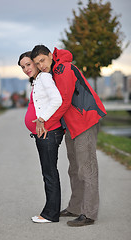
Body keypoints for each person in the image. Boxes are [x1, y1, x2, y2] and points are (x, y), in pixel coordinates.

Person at [31, 45, 107, 227]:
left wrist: (46, 123)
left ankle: (88, 213)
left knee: (86, 168)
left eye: (42, 60)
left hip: (84, 121)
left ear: (50, 55)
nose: (41, 65)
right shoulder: (53, 72)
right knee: (74, 168)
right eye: (37, 63)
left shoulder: (63, 68)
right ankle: (74, 207)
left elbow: (63, 102)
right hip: (72, 126)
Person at [18, 52, 64, 223]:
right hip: (45, 133)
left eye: (28, 64)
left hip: (49, 132)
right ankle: (51, 211)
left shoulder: (44, 77)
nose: (26, 69)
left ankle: (50, 214)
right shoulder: (38, 80)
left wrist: (42, 119)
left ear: (36, 63)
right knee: (49, 172)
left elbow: (57, 100)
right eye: (23, 67)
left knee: (50, 173)